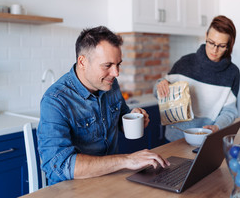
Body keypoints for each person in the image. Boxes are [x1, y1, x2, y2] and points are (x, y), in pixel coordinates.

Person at [38, 26, 169, 185]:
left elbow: (119, 118)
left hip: (109, 180)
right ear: (83, 62)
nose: (116, 73)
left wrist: (133, 117)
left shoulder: (110, 85)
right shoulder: (55, 100)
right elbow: (58, 166)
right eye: (107, 65)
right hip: (71, 188)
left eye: (118, 64)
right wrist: (127, 160)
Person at [155, 15, 240, 142]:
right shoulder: (184, 63)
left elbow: (229, 111)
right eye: (211, 42)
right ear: (206, 36)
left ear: (229, 45)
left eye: (221, 46)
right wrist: (161, 84)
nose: (214, 50)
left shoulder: (232, 73)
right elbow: (159, 93)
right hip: (175, 139)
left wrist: (217, 127)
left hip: (206, 139)